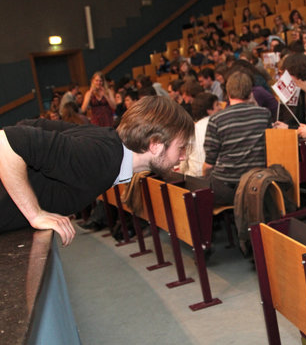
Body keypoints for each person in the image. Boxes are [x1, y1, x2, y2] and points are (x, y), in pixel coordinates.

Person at [0, 96, 194, 245]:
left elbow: (32, 125)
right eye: (181, 147)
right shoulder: (100, 158)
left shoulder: (107, 142)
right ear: (155, 145)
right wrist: (35, 213)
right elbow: (5, 143)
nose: (183, 156)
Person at [203, 71, 270, 205]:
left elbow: (209, 163)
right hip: (257, 184)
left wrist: (204, 178)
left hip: (227, 187)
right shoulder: (264, 114)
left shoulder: (216, 120)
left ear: (228, 93)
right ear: (250, 92)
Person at [179, 92, 220, 177]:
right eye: (217, 105)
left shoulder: (192, 129)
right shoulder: (219, 126)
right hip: (213, 178)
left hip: (193, 178)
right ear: (209, 110)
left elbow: (183, 162)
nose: (220, 108)